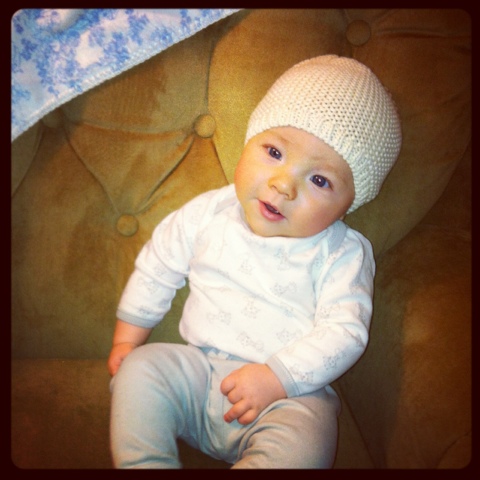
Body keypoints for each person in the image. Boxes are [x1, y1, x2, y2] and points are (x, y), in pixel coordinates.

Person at [108, 54, 402, 469]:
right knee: (140, 371)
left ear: (350, 204)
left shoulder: (342, 252)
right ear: (249, 141)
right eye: (274, 152)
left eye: (319, 180)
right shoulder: (210, 211)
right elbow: (160, 263)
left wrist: (277, 377)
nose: (283, 185)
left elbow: (345, 331)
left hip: (288, 398)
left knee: (309, 440)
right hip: (197, 373)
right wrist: (127, 339)